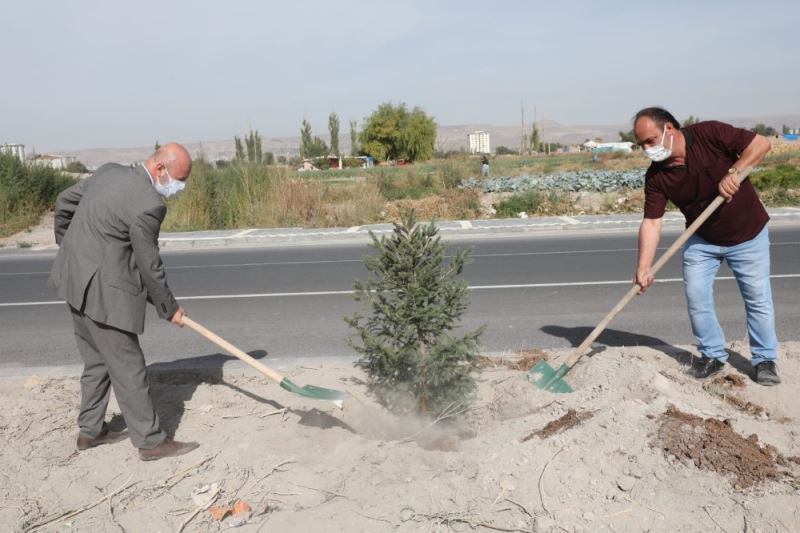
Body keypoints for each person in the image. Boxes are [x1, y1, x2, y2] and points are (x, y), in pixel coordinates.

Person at [48, 143, 201, 460]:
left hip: (73, 280)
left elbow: (64, 203)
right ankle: (151, 441)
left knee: (96, 361)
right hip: (105, 295)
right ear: (160, 169)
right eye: (178, 180)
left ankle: (90, 432)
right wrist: (169, 308)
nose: (178, 188)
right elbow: (149, 265)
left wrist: (69, 247)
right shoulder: (149, 205)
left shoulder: (108, 172)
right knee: (130, 369)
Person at [633, 107, 780, 385]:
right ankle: (712, 355)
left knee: (757, 299)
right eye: (642, 145)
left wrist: (735, 172)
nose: (647, 149)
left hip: (748, 235)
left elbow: (762, 144)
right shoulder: (656, 176)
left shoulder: (709, 134)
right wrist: (643, 267)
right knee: (697, 296)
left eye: (650, 140)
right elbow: (652, 222)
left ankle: (764, 360)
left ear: (670, 129)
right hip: (703, 240)